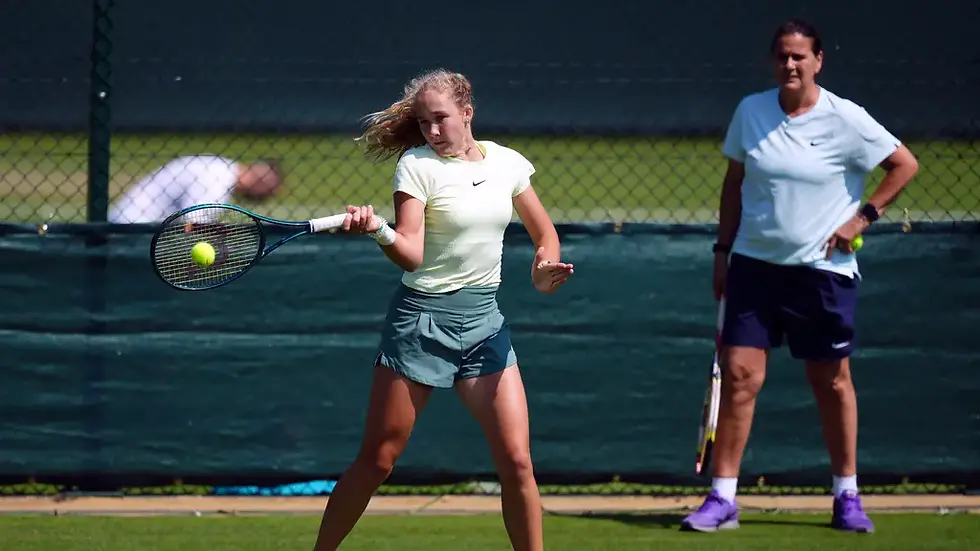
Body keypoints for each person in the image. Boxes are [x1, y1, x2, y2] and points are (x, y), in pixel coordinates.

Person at [310, 69, 574, 551]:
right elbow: (410, 252)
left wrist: (543, 269)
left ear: (467, 114)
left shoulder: (509, 163)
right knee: (379, 461)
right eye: (424, 122)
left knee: (518, 463)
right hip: (421, 324)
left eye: (441, 119)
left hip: (485, 328)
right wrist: (378, 230)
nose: (432, 130)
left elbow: (545, 235)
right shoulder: (416, 165)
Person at [681, 19, 919, 534]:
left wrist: (862, 219)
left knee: (831, 381)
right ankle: (722, 499)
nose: (790, 65)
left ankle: (847, 496)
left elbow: (904, 165)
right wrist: (722, 252)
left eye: (800, 57)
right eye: (782, 57)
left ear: (818, 61)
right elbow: (734, 185)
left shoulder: (846, 119)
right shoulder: (752, 111)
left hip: (822, 274)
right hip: (753, 268)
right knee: (740, 379)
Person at [107, 155, 282, 223]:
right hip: (133, 229)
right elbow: (193, 223)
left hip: (128, 223)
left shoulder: (219, 167)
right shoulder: (218, 181)